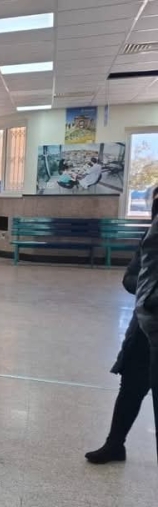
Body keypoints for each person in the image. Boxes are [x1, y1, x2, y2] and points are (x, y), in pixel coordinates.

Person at [86, 188, 158, 464]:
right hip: (144, 325)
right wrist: (148, 291)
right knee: (131, 385)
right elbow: (130, 277)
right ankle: (115, 444)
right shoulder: (151, 236)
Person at [133, 189, 158, 465]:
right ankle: (115, 443)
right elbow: (140, 266)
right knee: (131, 377)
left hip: (151, 312)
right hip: (144, 315)